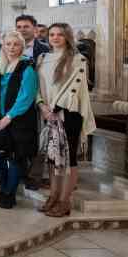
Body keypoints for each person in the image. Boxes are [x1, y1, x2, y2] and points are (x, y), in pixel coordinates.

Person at [36, 23, 96, 217]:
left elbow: (74, 87)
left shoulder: (78, 59)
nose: (54, 38)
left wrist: (56, 109)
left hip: (69, 113)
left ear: (67, 37)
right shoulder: (43, 58)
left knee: (68, 159)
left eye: (59, 35)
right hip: (48, 112)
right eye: (52, 34)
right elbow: (38, 86)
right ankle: (53, 196)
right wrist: (42, 106)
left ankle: (64, 201)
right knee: (53, 159)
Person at [0, 31, 38, 209]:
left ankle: (9, 193)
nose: (12, 48)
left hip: (18, 120)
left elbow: (26, 95)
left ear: (22, 47)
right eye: (8, 44)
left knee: (15, 158)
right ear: (3, 46)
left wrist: (9, 116)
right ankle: (3, 189)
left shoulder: (27, 67)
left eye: (16, 44)